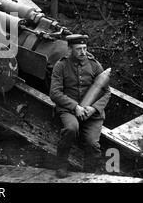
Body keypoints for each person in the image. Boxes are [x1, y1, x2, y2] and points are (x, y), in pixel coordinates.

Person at [50, 34, 111, 178]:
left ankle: (88, 172)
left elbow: (106, 92)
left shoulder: (95, 65)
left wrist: (93, 108)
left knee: (92, 143)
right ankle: (61, 165)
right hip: (69, 110)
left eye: (85, 48)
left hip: (93, 113)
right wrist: (75, 106)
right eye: (79, 49)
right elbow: (54, 93)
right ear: (70, 49)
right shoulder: (61, 65)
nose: (83, 52)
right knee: (71, 128)